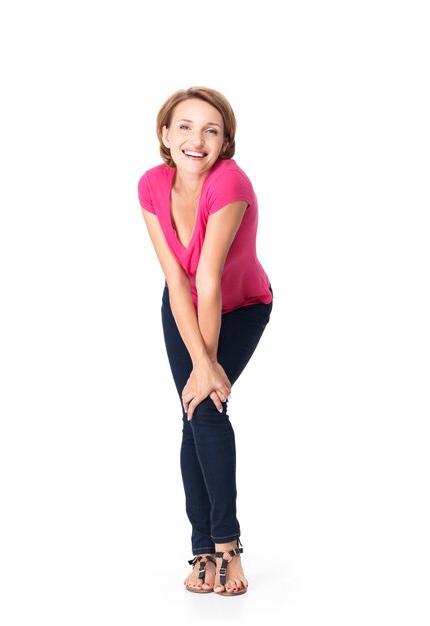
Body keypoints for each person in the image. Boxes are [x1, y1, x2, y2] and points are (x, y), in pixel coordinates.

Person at [137, 87, 273, 596]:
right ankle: (203, 550)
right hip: (183, 305)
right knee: (196, 412)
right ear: (166, 134)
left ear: (225, 141)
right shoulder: (151, 185)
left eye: (211, 130)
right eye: (186, 126)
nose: (197, 139)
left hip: (241, 308)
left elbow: (211, 278)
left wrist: (207, 363)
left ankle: (227, 548)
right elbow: (178, 278)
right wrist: (199, 360)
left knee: (205, 406)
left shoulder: (230, 183)